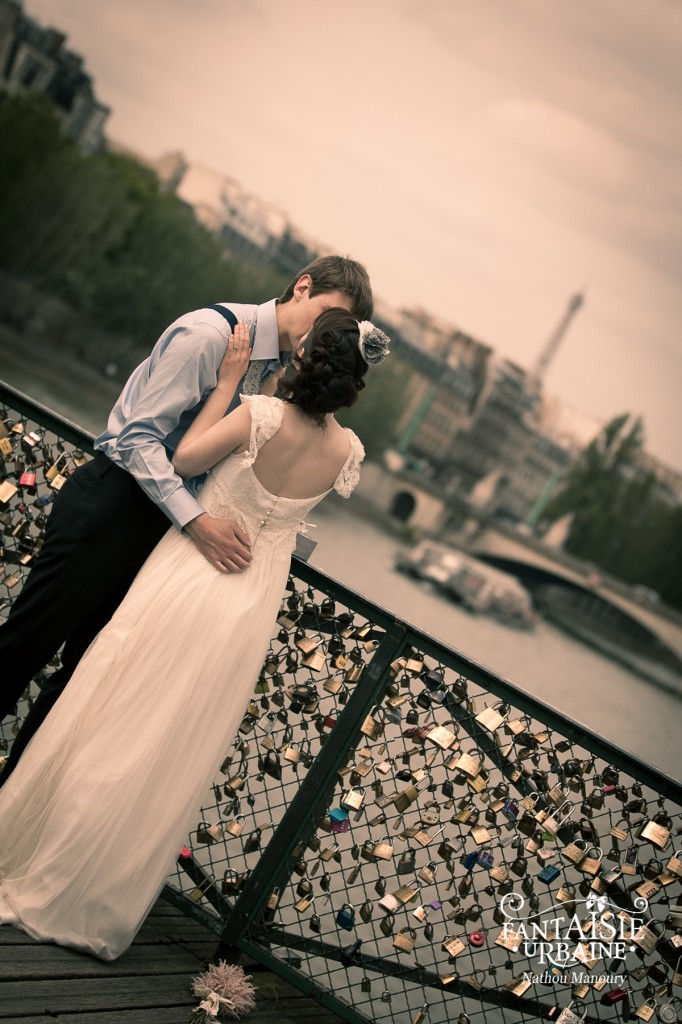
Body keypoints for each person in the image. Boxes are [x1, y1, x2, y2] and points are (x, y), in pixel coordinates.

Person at [0, 308, 391, 961]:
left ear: (303, 362)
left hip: (188, 575)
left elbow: (182, 456)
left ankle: (37, 853)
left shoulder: (260, 415)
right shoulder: (346, 453)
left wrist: (225, 388)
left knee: (108, 712)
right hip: (247, 605)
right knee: (167, 744)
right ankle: (100, 890)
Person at [0, 255, 373, 785]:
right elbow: (137, 440)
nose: (327, 332)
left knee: (79, 687)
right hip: (115, 508)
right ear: (302, 287)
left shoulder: (282, 373)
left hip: (168, 544)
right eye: (328, 314)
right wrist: (198, 520)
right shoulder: (209, 335)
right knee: (21, 650)